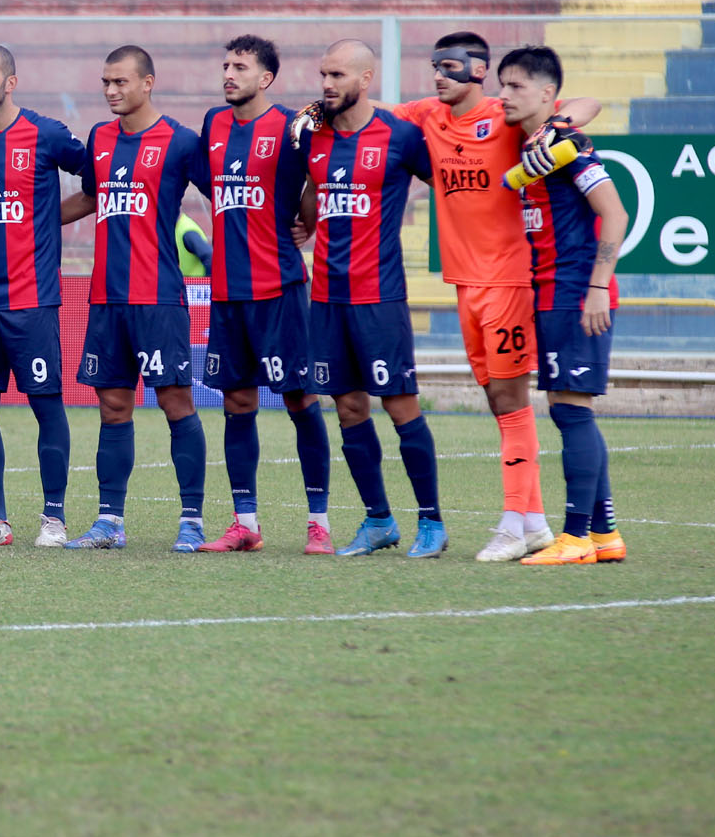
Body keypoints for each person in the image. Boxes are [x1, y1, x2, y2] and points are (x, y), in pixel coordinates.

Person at [384, 32, 597, 561]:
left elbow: (586, 103)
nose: (440, 75)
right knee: (497, 401)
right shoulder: (428, 115)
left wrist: (562, 123)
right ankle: (534, 523)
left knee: (510, 400)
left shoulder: (505, 115)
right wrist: (319, 112)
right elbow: (374, 115)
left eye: (451, 66)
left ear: (478, 71)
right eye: (435, 66)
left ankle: (511, 524)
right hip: (465, 282)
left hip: (509, 280)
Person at [298, 41, 447, 558]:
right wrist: (304, 222)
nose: (326, 83)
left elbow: (447, 185)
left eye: (338, 74)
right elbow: (312, 195)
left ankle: (431, 521)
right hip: (326, 297)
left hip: (379, 297)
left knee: (400, 405)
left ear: (366, 79)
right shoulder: (312, 136)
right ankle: (378, 519)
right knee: (347, 408)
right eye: (323, 74)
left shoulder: (400, 136)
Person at [59, 45, 208, 550]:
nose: (111, 90)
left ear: (147, 83)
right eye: (106, 82)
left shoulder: (181, 141)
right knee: (113, 405)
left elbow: (224, 193)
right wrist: (32, 222)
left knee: (175, 401)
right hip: (107, 298)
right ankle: (109, 523)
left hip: (159, 297)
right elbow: (90, 196)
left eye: (120, 81)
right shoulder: (100, 138)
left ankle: (192, 521)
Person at [190, 36, 334, 554]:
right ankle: (244, 522)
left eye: (241, 67)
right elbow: (214, 185)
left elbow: (318, 179)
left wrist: (306, 222)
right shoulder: (213, 123)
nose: (229, 74)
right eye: (226, 65)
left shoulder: (294, 127)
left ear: (266, 78)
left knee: (300, 398)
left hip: (279, 288)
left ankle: (319, 523)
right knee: (237, 401)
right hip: (229, 292)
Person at [0, 43, 87, 547]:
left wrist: (50, 218)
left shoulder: (46, 134)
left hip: (32, 301)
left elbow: (98, 182)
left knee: (46, 407)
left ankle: (54, 519)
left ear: (10, 82)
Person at [499, 46, 630, 565]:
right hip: (552, 293)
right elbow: (585, 102)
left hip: (577, 293)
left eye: (516, 86)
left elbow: (615, 214)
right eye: (503, 85)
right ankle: (604, 535)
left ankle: (575, 539)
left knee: (571, 411)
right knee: (569, 410)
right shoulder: (534, 141)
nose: (505, 95)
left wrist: (598, 286)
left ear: (547, 94)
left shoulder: (566, 145)